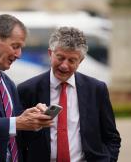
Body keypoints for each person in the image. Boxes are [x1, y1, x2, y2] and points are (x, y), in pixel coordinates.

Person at [18, 26, 121, 162]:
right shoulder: (27, 89)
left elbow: (111, 137)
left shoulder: (96, 89)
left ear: (81, 61)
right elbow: (18, 139)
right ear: (50, 54)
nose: (64, 66)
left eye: (72, 60)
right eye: (60, 58)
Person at [0, 14, 52, 162]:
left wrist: (33, 119)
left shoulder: (8, 83)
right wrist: (16, 122)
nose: (19, 54)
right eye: (15, 46)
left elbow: (17, 131)